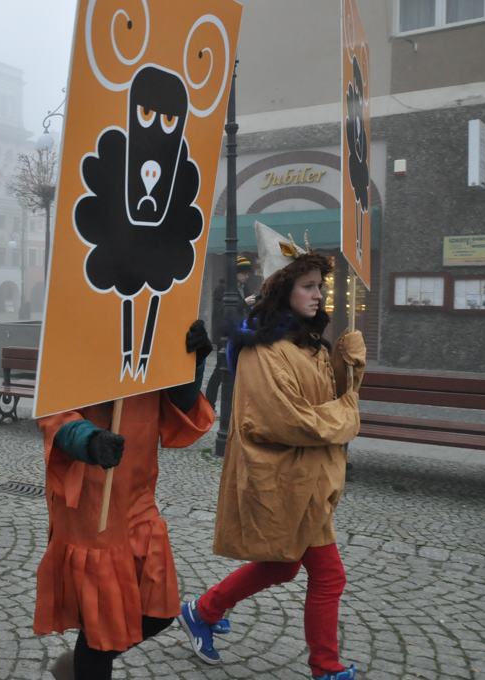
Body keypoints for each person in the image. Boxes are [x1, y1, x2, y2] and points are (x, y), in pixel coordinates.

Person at [178, 242, 365, 680]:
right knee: (329, 575)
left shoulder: (310, 344)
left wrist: (348, 361)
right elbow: (288, 419)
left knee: (283, 566)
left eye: (321, 286)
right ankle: (326, 668)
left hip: (312, 480)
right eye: (308, 286)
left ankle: (203, 611)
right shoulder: (263, 351)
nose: (319, 294)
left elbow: (333, 395)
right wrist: (348, 417)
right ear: (284, 291)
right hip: (286, 478)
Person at [38, 321, 216, 680]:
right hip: (92, 504)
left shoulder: (152, 325)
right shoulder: (78, 322)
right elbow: (53, 409)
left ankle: (82, 666)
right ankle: (90, 664)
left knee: (160, 611)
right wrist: (88, 439)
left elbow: (175, 410)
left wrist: (189, 366)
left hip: (138, 495)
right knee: (100, 629)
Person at [205, 255, 256, 408]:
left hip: (240, 333)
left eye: (248, 273)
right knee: (219, 373)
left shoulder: (244, 288)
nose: (247, 276)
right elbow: (223, 312)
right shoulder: (222, 289)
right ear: (236, 273)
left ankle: (234, 406)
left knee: (235, 370)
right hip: (226, 336)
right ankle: (209, 404)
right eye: (244, 273)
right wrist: (244, 303)